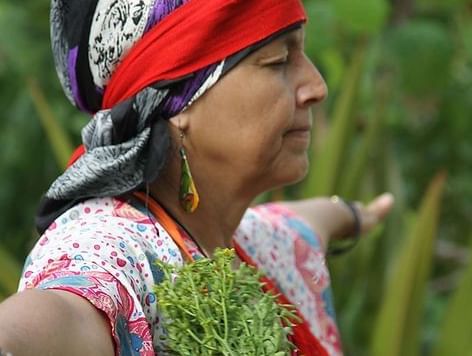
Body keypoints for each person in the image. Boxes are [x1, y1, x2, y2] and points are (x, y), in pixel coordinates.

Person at [0, 0, 394, 355]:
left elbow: (302, 223)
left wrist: (353, 215)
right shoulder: (111, 251)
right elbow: (51, 317)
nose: (316, 87)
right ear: (177, 100)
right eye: (277, 61)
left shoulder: (235, 241)